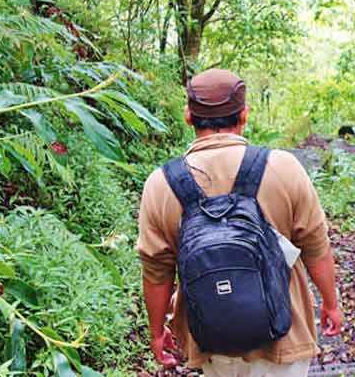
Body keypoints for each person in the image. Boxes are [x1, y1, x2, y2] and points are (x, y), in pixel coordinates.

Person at [136, 68, 342, 377]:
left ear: (188, 117)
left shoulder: (161, 183)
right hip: (284, 336)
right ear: (243, 115)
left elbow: (156, 271)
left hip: (211, 337)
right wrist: (330, 302)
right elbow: (315, 247)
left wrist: (156, 332)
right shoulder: (284, 168)